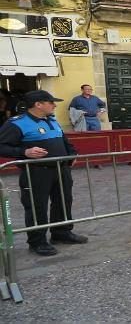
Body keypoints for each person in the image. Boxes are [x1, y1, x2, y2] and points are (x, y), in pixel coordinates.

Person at [0, 90, 88, 256]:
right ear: (38, 104)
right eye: (51, 102)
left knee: (63, 201)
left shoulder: (52, 120)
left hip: (61, 169)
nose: (54, 105)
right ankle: (37, 242)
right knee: (36, 206)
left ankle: (61, 233)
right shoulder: (16, 123)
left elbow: (64, 141)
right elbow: (2, 146)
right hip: (36, 172)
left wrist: (71, 154)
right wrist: (24, 152)